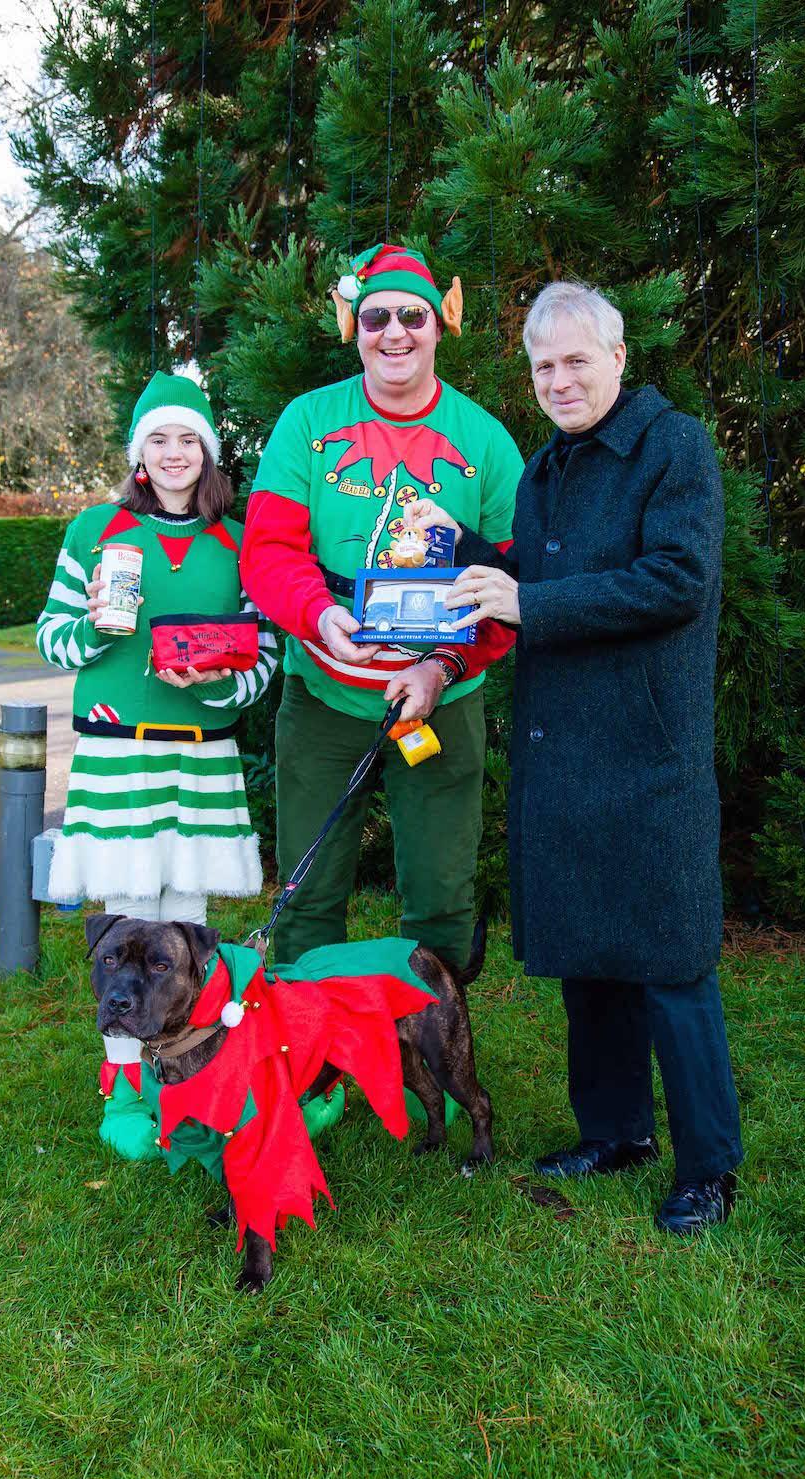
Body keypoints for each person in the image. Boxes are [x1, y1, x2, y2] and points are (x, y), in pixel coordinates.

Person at [407, 281, 743, 1235]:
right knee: (593, 960)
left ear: (619, 357)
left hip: (647, 758)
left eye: (576, 361)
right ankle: (616, 1131)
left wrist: (531, 606)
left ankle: (710, 1166)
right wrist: (458, 546)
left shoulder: (673, 448)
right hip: (568, 759)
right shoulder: (548, 468)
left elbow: (675, 580)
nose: (559, 380)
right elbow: (539, 582)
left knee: (673, 969)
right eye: (543, 365)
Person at [239, 243, 524, 968]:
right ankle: (311, 1071)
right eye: (375, 318)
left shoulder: (486, 441)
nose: (393, 332)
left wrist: (442, 665)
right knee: (306, 896)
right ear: (352, 325)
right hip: (326, 693)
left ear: (439, 325)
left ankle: (436, 1064)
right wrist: (319, 617)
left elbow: (514, 586)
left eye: (411, 316)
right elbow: (268, 552)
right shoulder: (308, 422)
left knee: (441, 897)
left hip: (443, 697)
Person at [37, 368, 278, 1139]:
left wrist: (212, 684)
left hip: (201, 756)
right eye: (159, 440)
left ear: (208, 455)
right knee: (125, 931)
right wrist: (98, 632)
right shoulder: (94, 531)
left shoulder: (237, 544)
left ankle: (187, 1081)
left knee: (187, 927)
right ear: (139, 452)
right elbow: (49, 635)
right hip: (116, 756)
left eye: (189, 440)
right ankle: (125, 1095)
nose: (174, 454)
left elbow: (263, 656)